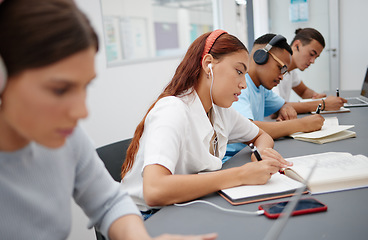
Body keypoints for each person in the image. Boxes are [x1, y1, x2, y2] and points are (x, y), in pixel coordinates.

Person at [0, 0, 217, 239]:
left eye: (85, 86)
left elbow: (109, 202)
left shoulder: (68, 139)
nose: (82, 112)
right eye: (60, 90)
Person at [120, 29, 292, 220]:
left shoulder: (220, 111)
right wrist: (241, 174)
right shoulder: (172, 110)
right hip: (146, 218)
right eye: (238, 71)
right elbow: (154, 190)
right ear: (208, 64)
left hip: (181, 207)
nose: (244, 84)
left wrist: (262, 152)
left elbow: (261, 135)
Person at [224, 33, 325, 161]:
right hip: (232, 160)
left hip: (248, 155)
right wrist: (303, 124)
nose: (282, 77)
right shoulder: (240, 87)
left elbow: (282, 105)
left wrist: (285, 107)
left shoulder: (261, 87)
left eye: (285, 72)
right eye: (280, 68)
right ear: (260, 57)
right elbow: (247, 128)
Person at [273, 28, 346, 110]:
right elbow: (276, 108)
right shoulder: (274, 69)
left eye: (316, 57)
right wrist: (323, 104)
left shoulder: (290, 71)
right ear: (297, 45)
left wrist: (316, 97)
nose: (313, 61)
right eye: (311, 54)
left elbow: (303, 91)